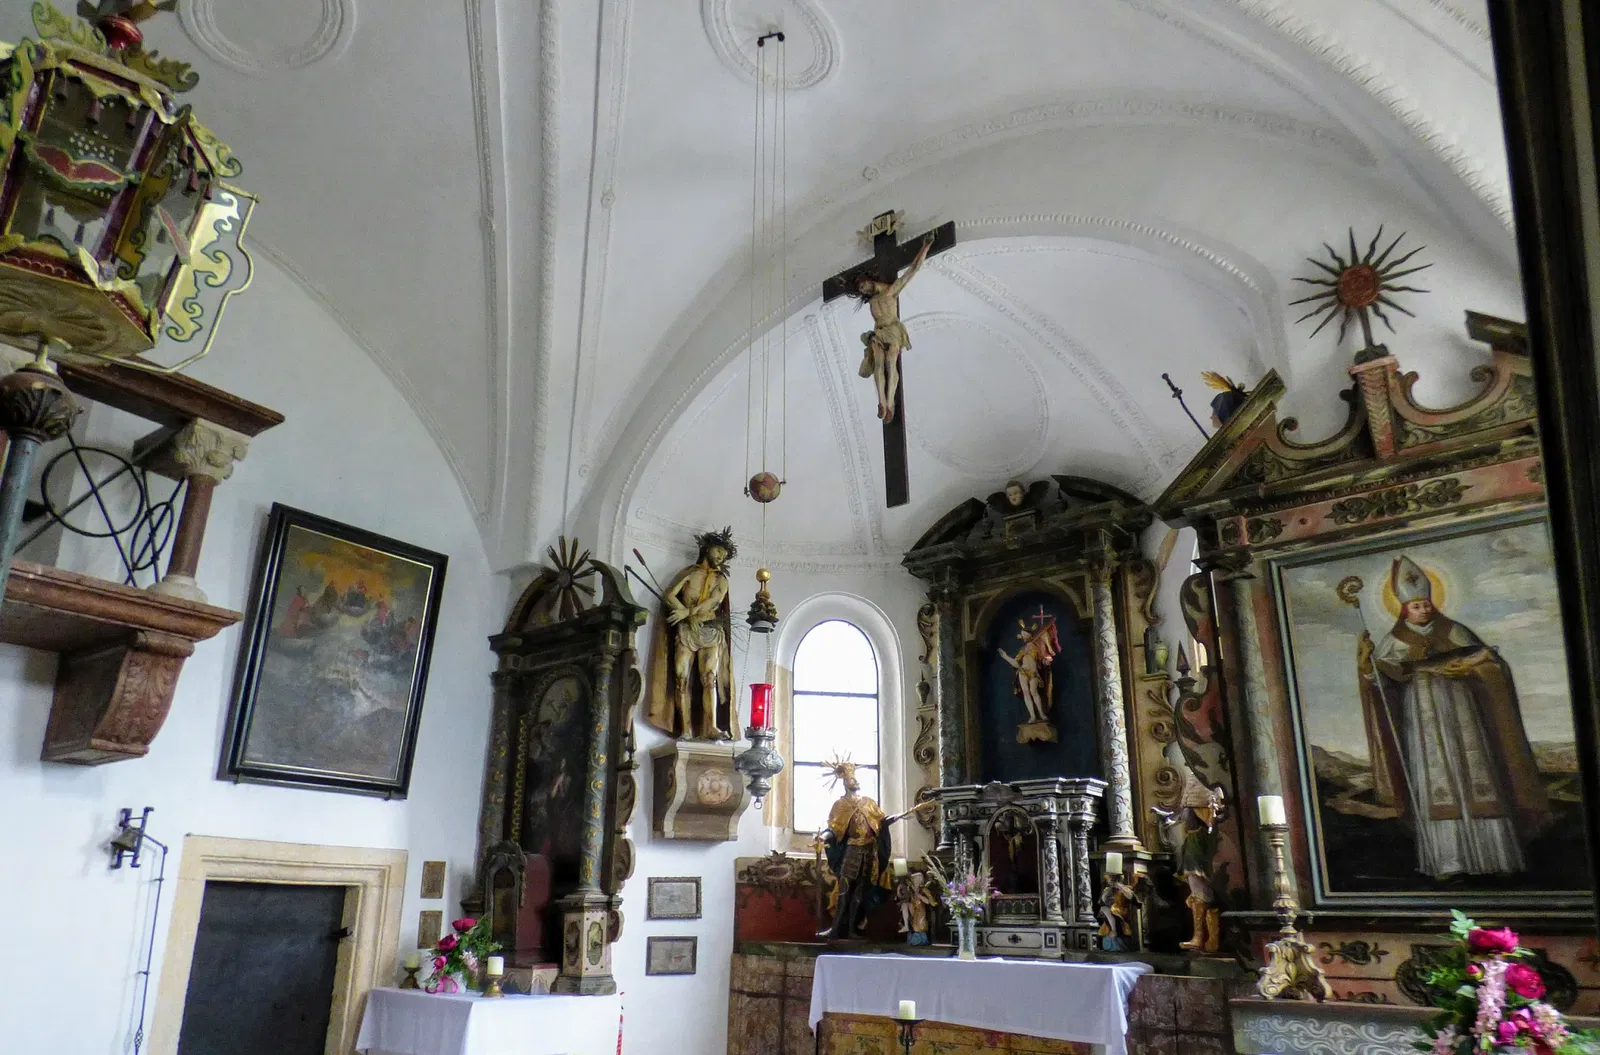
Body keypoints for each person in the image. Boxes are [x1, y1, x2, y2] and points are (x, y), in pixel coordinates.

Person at [1357, 556, 1550, 879]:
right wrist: (1366, 662)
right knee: (1436, 778)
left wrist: (1472, 667)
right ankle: (1449, 862)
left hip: (1464, 713)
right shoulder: (1395, 641)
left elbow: (1489, 661)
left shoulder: (1454, 630)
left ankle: (1493, 859)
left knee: (1476, 771)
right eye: (1416, 606)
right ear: (1404, 609)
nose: (1423, 609)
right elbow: (1380, 680)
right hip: (1422, 717)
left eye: (1425, 604)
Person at [815, 759, 931, 939]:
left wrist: (904, 814)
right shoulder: (840, 805)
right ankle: (836, 929)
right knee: (844, 891)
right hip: (852, 851)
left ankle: (853, 929)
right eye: (852, 778)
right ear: (845, 782)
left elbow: (882, 821)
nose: (855, 781)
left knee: (860, 893)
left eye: (855, 777)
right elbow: (834, 829)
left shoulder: (868, 803)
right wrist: (822, 837)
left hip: (869, 853)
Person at [645, 528, 736, 740]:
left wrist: (687, 612)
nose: (721, 557)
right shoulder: (689, 573)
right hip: (687, 631)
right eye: (719, 551)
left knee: (709, 677)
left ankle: (711, 727)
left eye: (724, 555)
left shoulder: (721, 580)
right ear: (707, 548)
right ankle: (685, 729)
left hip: (709, 629)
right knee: (681, 678)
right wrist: (684, 614)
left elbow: (714, 601)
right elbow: (669, 595)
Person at [853, 233, 934, 423]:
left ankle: (890, 402)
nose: (864, 290)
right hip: (879, 332)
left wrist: (926, 246)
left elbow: (913, 270)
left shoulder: (891, 291)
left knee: (891, 362)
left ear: (869, 280)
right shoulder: (872, 301)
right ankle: (882, 403)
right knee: (879, 362)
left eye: (864, 285)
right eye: (862, 290)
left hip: (893, 330)